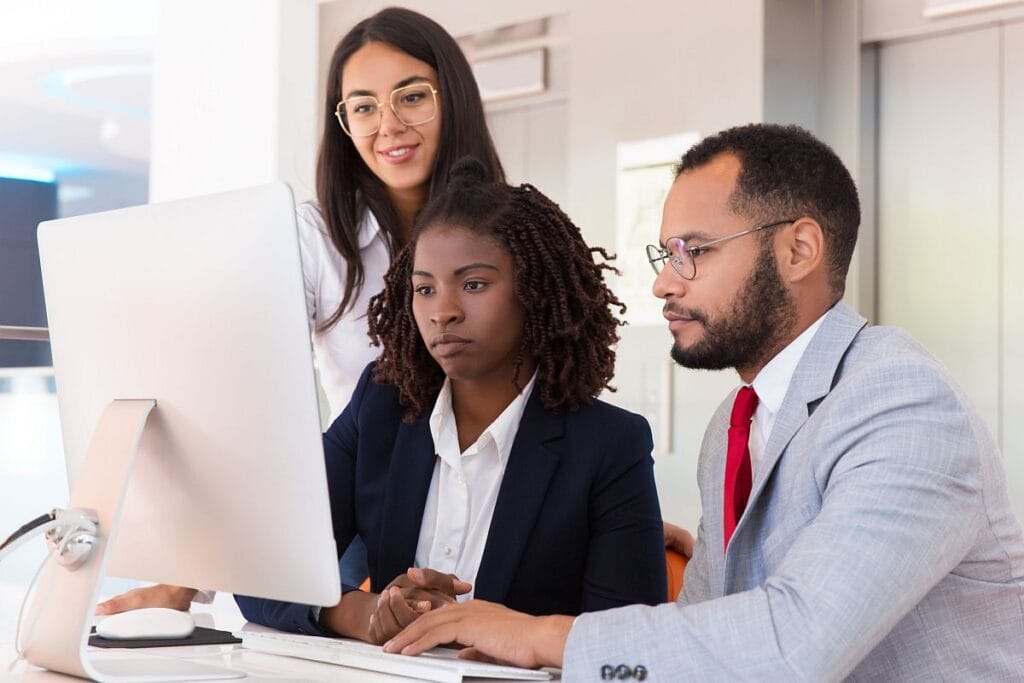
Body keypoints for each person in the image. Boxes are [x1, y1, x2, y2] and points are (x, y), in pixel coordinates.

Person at [383, 124, 1024, 679]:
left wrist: (536, 635)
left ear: (798, 250)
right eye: (667, 254)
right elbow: (703, 643)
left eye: (695, 251)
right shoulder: (733, 424)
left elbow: (795, 647)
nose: (664, 281)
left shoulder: (901, 404)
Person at [95, 5, 507, 616]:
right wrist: (186, 582)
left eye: (411, 97)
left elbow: (549, 378)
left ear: (453, 98)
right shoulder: (316, 239)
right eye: (363, 107)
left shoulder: (513, 231)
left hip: (490, 499)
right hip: (364, 510)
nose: (387, 125)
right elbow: (248, 400)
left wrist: (609, 508)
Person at [234, 158, 667, 643]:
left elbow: (633, 649)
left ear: (536, 292)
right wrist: (368, 612)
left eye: (474, 284)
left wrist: (505, 634)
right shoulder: (379, 409)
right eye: (424, 289)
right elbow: (261, 566)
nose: (442, 311)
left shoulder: (609, 445)